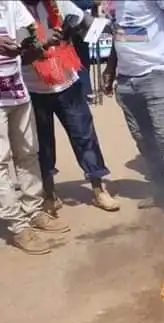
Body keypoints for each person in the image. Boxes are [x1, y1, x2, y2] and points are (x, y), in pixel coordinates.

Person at [101, 0, 164, 230]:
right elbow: (121, 34)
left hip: (157, 75)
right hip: (126, 81)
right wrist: (111, 69)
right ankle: (160, 191)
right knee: (144, 140)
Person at [21, 0, 119, 214]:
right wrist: (43, 44)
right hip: (33, 89)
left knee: (84, 136)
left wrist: (90, 29)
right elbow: (18, 54)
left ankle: (98, 188)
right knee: (42, 145)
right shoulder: (14, 10)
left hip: (67, 83)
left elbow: (88, 24)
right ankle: (49, 195)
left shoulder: (58, 3)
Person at [0, 0, 70, 255]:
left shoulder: (11, 4)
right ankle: (18, 227)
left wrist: (41, 41)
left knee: (28, 154)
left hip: (17, 92)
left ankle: (34, 211)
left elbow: (26, 37)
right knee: (0, 162)